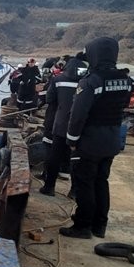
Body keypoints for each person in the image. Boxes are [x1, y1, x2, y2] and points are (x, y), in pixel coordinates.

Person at [61, 37, 134, 239]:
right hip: (112, 140)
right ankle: (99, 225)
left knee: (84, 182)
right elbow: (122, 106)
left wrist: (71, 140)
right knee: (101, 182)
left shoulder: (91, 81)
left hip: (89, 141)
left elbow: (78, 115)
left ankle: (82, 226)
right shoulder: (126, 81)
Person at [39, 53, 88, 196]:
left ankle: (49, 187)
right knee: (77, 159)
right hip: (80, 127)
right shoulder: (87, 82)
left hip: (60, 124)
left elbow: (49, 99)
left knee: (54, 156)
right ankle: (73, 191)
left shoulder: (58, 79)